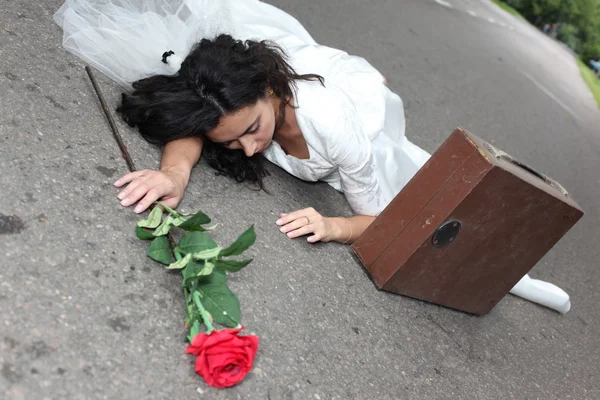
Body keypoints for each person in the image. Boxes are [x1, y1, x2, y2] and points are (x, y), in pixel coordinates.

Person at [54, 0, 572, 313]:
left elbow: (375, 219)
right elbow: (199, 125)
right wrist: (174, 173)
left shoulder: (332, 124)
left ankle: (367, 78)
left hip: (356, 108)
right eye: (233, 142)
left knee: (422, 209)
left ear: (272, 88)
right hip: (301, 76)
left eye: (255, 129)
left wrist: (332, 225)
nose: (251, 148)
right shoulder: (237, 108)